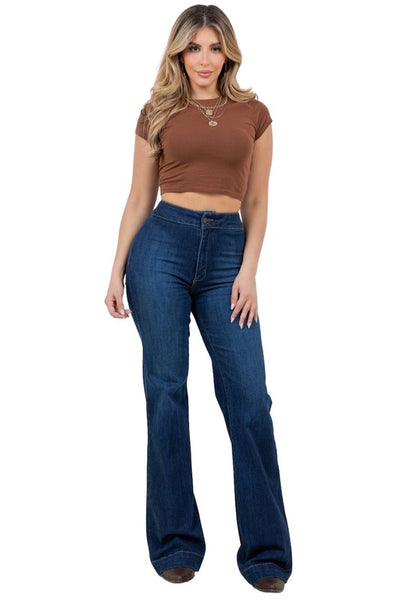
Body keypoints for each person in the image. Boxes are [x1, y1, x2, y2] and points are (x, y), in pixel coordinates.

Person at [104, 4, 292, 593]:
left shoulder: (254, 114)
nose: (204, 59)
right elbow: (139, 198)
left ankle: (266, 554)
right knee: (166, 392)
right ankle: (176, 544)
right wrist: (116, 270)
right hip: (161, 246)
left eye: (214, 48)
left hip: (228, 254)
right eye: (193, 48)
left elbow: (256, 201)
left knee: (250, 398)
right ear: (178, 53)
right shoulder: (157, 111)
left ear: (228, 52)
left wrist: (249, 270)